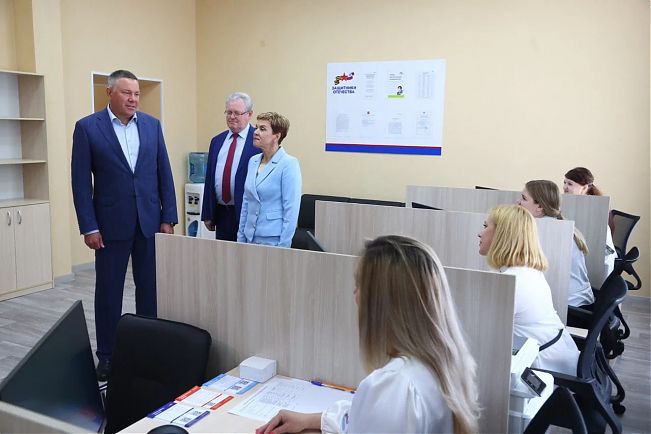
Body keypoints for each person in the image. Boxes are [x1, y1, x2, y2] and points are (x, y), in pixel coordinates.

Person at [257, 235, 480, 434]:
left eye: (360, 286)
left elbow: (382, 415)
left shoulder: (395, 386)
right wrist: (313, 420)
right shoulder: (442, 364)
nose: (355, 295)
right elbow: (373, 419)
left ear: (381, 302)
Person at [71, 69, 177, 381]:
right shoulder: (88, 128)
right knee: (109, 292)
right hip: (109, 226)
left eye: (136, 94)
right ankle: (107, 355)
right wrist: (89, 226)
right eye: (126, 93)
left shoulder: (152, 125)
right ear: (110, 93)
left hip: (149, 223)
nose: (133, 99)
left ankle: (148, 348)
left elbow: (164, 172)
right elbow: (80, 183)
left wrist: (168, 217)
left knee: (150, 290)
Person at [478, 204, 579, 375]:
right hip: (559, 357)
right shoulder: (526, 271)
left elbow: (480, 331)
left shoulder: (512, 281)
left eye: (485, 226)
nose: (480, 233)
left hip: (544, 368)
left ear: (502, 234)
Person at [518, 180, 594, 307]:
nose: (518, 202)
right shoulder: (553, 225)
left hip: (570, 305)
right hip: (577, 300)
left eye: (524, 198)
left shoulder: (546, 232)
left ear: (540, 207)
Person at [202, 92, 261, 241]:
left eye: (237, 113)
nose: (232, 116)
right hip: (222, 213)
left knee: (245, 254)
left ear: (249, 114)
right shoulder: (217, 141)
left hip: (247, 214)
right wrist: (207, 213)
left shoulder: (258, 140)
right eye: (229, 112)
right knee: (223, 254)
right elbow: (209, 178)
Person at [237, 112, 301, 247]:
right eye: (256, 127)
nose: (255, 132)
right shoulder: (253, 161)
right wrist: (241, 237)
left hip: (273, 240)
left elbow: (291, 211)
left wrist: (284, 247)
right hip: (249, 237)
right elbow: (246, 203)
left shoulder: (288, 164)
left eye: (262, 129)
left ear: (276, 136)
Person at [563, 167, 616, 278]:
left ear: (584, 188)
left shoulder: (593, 209)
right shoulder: (573, 204)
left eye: (570, 184)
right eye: (565, 183)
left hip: (599, 264)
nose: (565, 187)